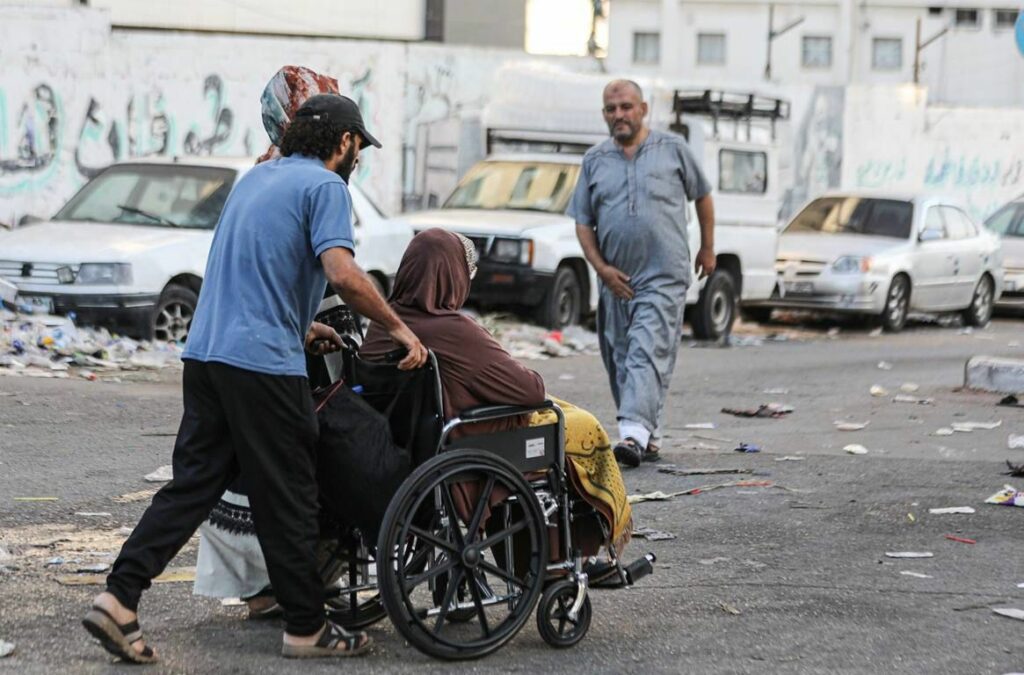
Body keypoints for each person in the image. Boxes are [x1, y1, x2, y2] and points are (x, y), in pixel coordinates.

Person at [81, 93, 428, 663]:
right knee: (289, 491)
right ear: (343, 143)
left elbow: (247, 269)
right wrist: (400, 329)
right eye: (359, 146)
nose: (359, 157)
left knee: (192, 485)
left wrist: (302, 323)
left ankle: (119, 599)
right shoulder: (327, 188)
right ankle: (307, 627)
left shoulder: (255, 179)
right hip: (263, 367)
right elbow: (341, 272)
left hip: (208, 355)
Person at [361, 228, 632, 554]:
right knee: (579, 425)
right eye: (466, 272)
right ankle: (583, 550)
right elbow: (529, 391)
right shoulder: (454, 330)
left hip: (402, 442)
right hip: (465, 441)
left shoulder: (383, 325)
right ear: (451, 275)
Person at [568, 79, 716, 468]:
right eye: (611, 109)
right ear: (604, 114)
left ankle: (632, 434)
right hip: (615, 278)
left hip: (663, 273)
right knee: (618, 355)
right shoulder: (595, 160)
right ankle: (647, 434)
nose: (619, 115)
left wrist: (708, 246)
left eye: (626, 107)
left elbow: (702, 195)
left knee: (647, 349)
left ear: (643, 109)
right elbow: (583, 222)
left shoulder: (673, 149)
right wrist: (601, 269)